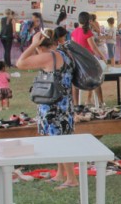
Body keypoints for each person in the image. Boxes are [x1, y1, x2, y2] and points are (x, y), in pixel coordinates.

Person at [16, 27, 78, 189]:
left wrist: (32, 45)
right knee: (59, 139)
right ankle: (60, 173)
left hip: (53, 105)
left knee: (60, 142)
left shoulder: (49, 56)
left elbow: (20, 63)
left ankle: (71, 178)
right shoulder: (64, 54)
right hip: (63, 103)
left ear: (41, 46)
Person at [71, 11, 106, 106]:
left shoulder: (74, 32)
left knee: (75, 83)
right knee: (97, 80)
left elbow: (74, 47)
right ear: (88, 21)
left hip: (78, 61)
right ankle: (101, 102)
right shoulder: (87, 32)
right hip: (88, 60)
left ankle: (76, 104)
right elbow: (93, 48)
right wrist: (102, 56)